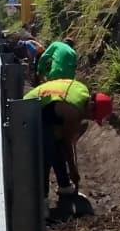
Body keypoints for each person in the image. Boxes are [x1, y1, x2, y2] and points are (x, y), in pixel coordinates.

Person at [24, 78, 112, 213]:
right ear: (91, 106)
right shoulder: (72, 111)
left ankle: (64, 186)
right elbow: (66, 143)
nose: (91, 119)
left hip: (47, 110)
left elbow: (67, 138)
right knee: (46, 153)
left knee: (56, 143)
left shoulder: (82, 92)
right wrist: (73, 170)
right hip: (28, 111)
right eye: (93, 116)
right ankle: (41, 201)